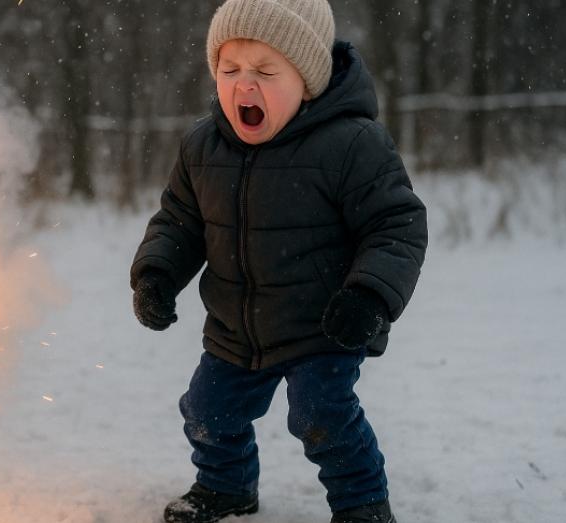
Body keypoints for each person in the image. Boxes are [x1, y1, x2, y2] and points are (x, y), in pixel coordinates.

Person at [129, 1, 428, 522]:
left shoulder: (351, 145)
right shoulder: (202, 146)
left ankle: (363, 505)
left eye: (266, 72)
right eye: (229, 69)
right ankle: (227, 486)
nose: (244, 84)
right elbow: (180, 221)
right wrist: (156, 272)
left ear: (307, 82)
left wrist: (369, 295)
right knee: (206, 411)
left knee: (322, 415)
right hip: (235, 327)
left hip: (323, 327)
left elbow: (395, 225)